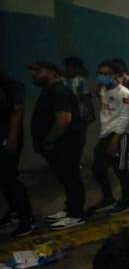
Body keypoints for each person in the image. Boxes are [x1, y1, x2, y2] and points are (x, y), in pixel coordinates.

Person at [28, 61, 86, 229]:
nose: (35, 75)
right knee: (65, 179)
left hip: (65, 145)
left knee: (71, 178)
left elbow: (63, 120)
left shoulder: (60, 91)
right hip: (58, 146)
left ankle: (76, 215)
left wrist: (48, 140)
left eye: (39, 71)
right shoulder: (49, 90)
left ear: (53, 73)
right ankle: (70, 209)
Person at [86, 60, 129, 217]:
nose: (103, 76)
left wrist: (115, 141)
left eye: (107, 74)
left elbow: (125, 117)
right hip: (105, 133)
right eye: (101, 73)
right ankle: (108, 198)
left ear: (115, 75)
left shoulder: (123, 92)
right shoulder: (103, 89)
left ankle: (127, 202)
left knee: (120, 169)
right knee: (97, 168)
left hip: (119, 135)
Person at [0, 71, 34, 237]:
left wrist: (11, 138)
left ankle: (27, 219)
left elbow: (17, 111)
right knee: (5, 180)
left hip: (7, 139)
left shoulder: (10, 83)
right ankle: (14, 213)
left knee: (10, 179)